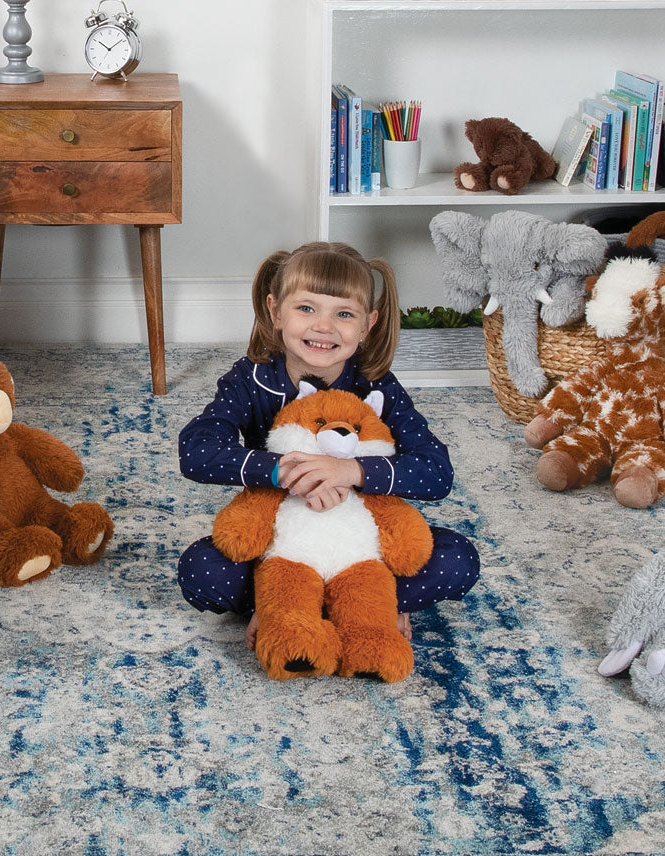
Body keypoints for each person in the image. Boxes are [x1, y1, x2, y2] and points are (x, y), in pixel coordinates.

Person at [177, 241, 479, 648]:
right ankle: (285, 603)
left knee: (457, 558)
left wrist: (353, 471)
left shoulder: (377, 385)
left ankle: (361, 603)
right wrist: (283, 470)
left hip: (361, 548)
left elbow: (436, 472)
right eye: (306, 308)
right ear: (275, 310)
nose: (324, 326)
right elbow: (196, 450)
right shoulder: (251, 378)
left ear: (368, 324)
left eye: (344, 314)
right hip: (281, 545)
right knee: (201, 570)